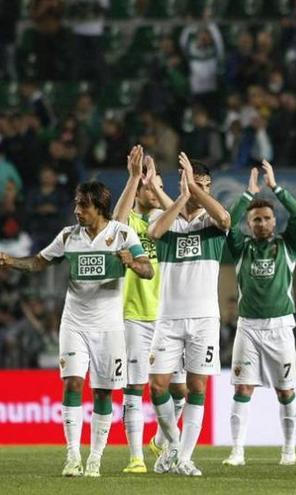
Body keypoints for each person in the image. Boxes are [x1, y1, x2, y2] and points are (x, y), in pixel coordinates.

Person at [0, 181, 154, 477]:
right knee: (71, 384)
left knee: (104, 393)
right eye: (76, 204)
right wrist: (12, 262)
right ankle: (72, 456)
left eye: (83, 205)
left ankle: (94, 458)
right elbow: (39, 262)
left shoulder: (121, 234)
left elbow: (149, 270)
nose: (77, 210)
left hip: (108, 327)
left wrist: (132, 262)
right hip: (75, 323)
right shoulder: (69, 236)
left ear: (100, 208)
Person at [147, 153, 231, 477]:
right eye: (198, 184)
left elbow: (224, 218)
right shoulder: (168, 218)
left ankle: (184, 457)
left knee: (197, 386)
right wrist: (181, 195)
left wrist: (193, 191)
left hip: (204, 319)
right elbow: (154, 232)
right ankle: (173, 444)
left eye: (207, 186)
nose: (202, 191)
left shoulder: (211, 223)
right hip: (168, 318)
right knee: (157, 387)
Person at [222, 160, 296, 467]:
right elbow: (225, 222)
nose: (261, 223)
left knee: (285, 391)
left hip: (280, 327)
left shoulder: (288, 246)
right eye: (255, 219)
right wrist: (248, 194)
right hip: (248, 328)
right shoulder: (241, 246)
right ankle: (237, 451)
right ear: (249, 224)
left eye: (267, 218)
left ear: (274, 221)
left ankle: (288, 449)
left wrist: (276, 188)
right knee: (242, 388)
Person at [110, 146, 179, 473]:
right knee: (134, 387)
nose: (156, 191)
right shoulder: (132, 222)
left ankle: (164, 441)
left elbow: (182, 214)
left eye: (161, 186)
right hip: (136, 315)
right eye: (151, 186)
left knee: (179, 388)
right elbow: (116, 223)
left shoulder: (169, 224)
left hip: (170, 317)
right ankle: (136, 458)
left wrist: (156, 186)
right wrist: (135, 176)